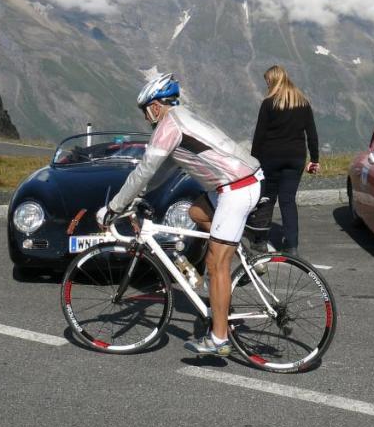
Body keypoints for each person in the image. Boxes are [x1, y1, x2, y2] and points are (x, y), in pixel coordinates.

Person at [98, 72, 261, 358]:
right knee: (197, 212)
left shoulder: (168, 126)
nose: (147, 118)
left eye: (146, 111)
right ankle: (245, 251)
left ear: (156, 106)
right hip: (237, 183)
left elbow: (144, 170)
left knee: (215, 264)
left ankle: (219, 339)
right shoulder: (182, 118)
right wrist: (138, 198)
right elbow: (165, 170)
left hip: (236, 188)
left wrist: (114, 208)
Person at [249, 65, 319, 256]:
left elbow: (259, 136)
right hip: (295, 158)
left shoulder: (268, 103)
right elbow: (312, 134)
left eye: (268, 82)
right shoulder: (303, 103)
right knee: (288, 201)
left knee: (268, 199)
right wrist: (315, 159)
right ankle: (292, 245)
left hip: (271, 158)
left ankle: (260, 241)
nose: (267, 85)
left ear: (273, 81)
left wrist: (254, 161)